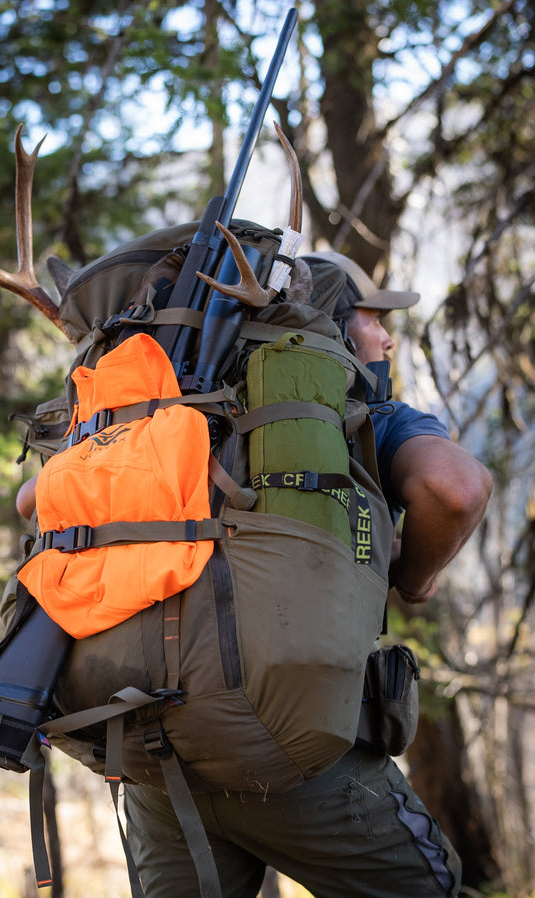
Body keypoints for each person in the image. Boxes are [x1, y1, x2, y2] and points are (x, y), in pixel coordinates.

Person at [122, 251, 493, 898]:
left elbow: (30, 502)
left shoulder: (170, 423)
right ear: (343, 331)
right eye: (378, 319)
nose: (389, 336)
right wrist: (412, 575)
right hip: (298, 755)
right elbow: (457, 488)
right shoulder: (355, 415)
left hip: (156, 755)